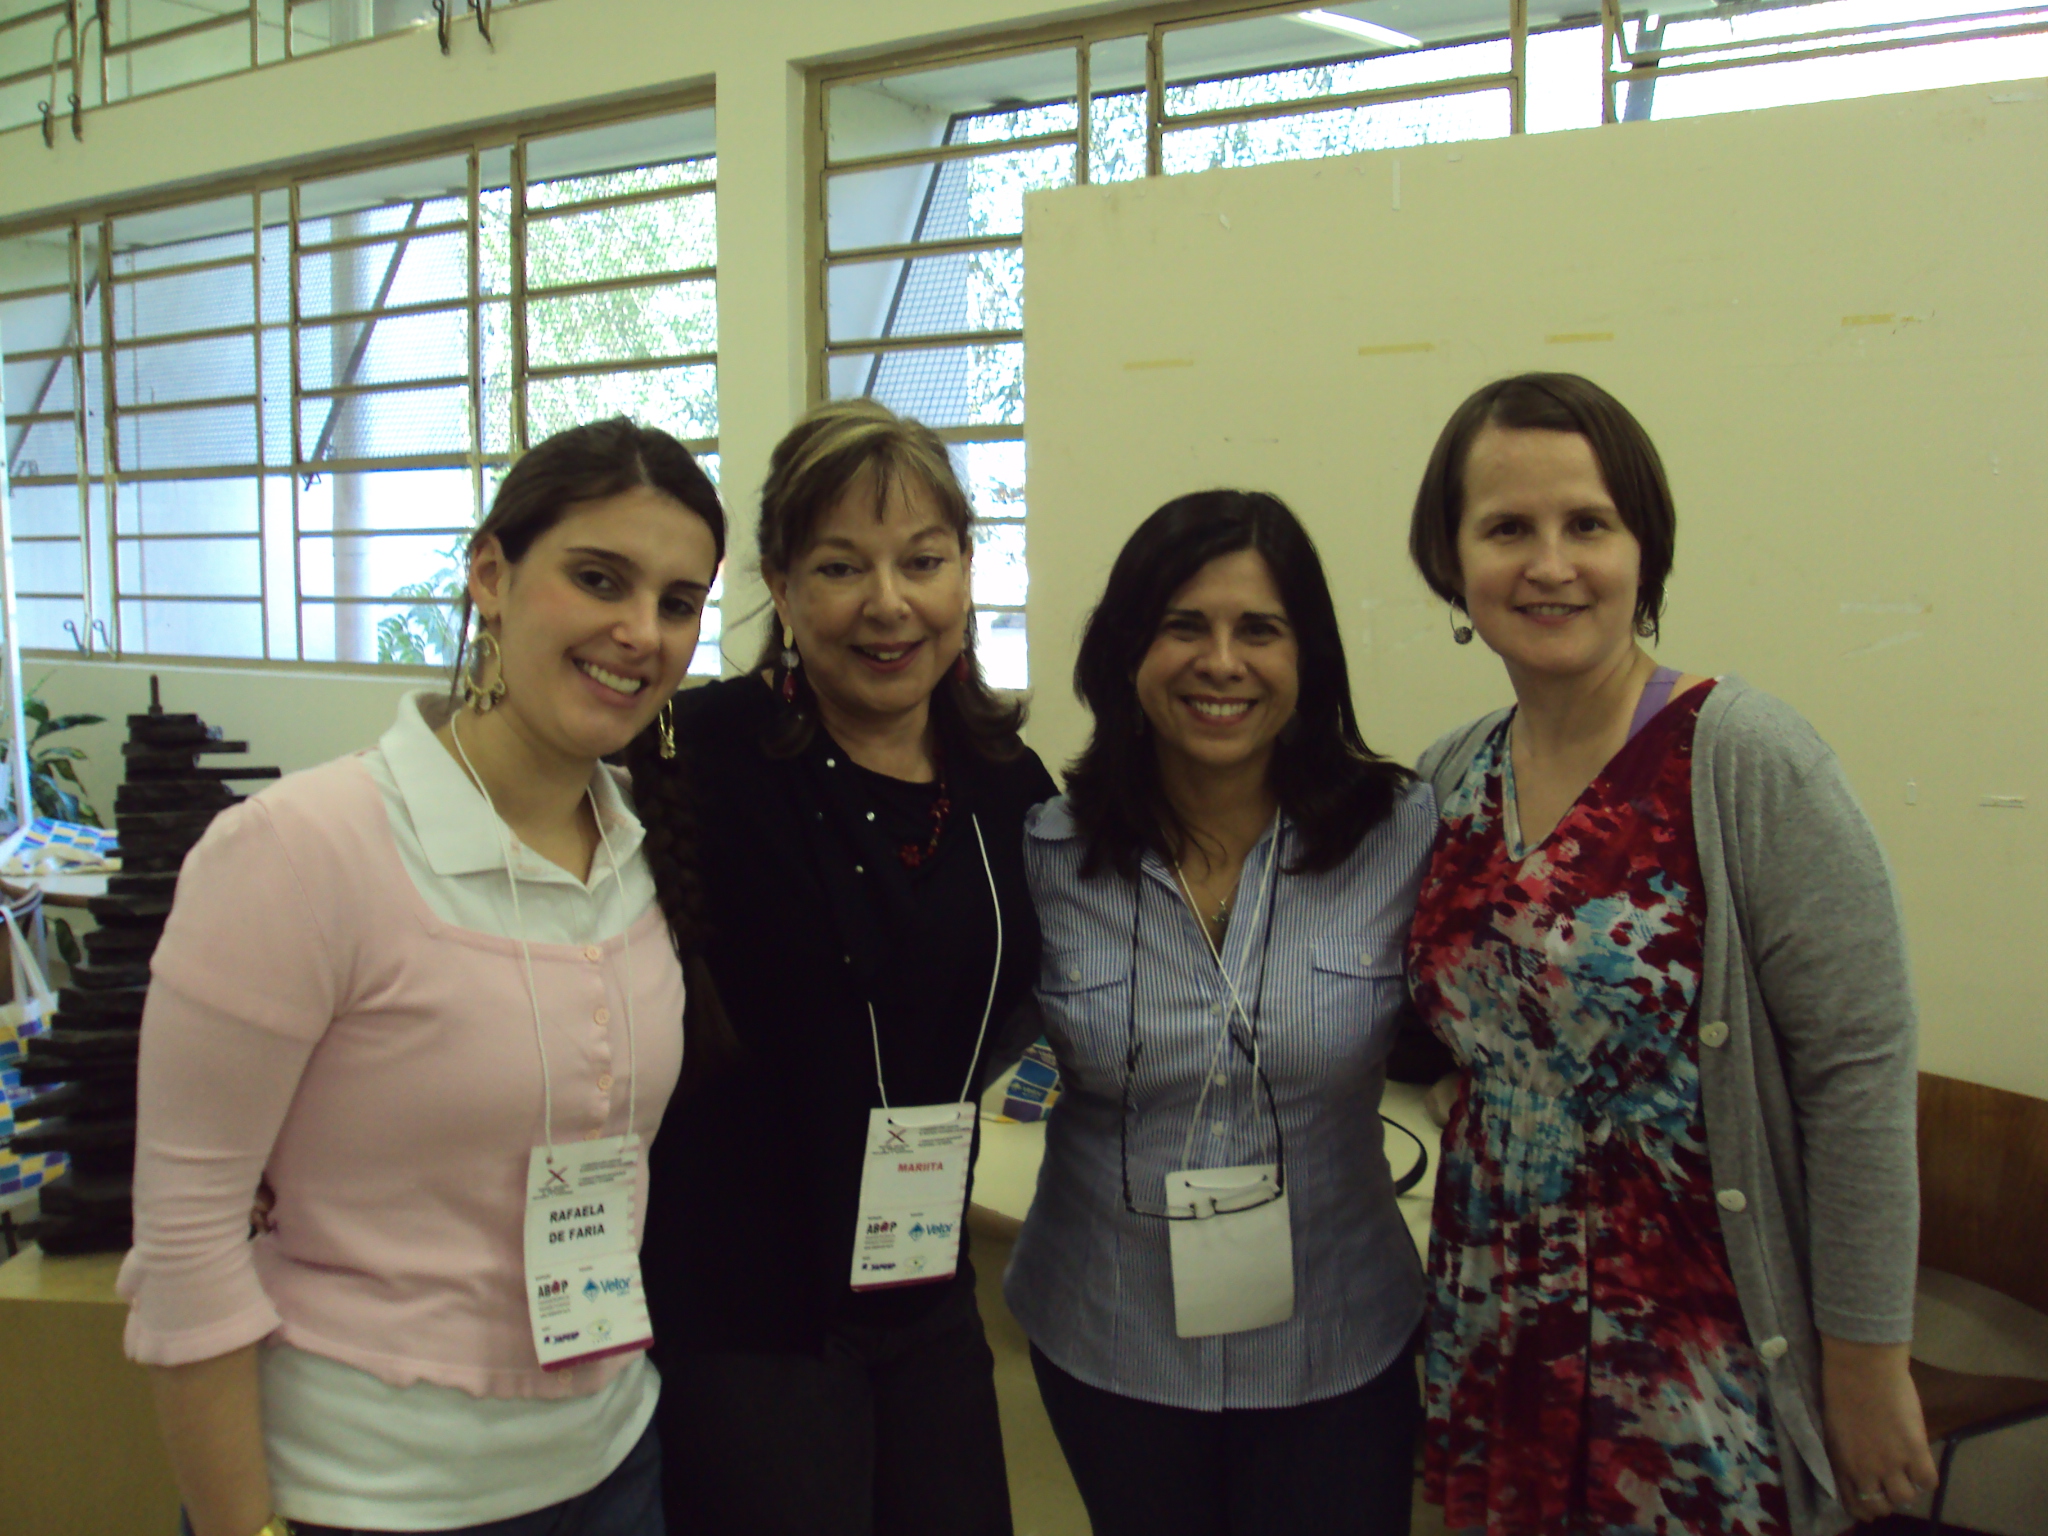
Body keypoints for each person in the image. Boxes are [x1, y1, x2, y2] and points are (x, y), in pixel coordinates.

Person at [121, 417, 726, 1536]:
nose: (641, 632)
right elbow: (186, 1244)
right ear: (490, 576)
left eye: (679, 602)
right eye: (599, 579)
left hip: (611, 1465)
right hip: (362, 1493)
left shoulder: (646, 854)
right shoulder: (300, 851)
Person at [1402, 373, 1935, 1536]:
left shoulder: (1743, 761)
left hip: (1692, 1340)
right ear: (1450, 560)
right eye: (1506, 528)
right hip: (1494, 1311)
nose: (1550, 565)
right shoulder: (1448, 775)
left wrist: (1865, 1360)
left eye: (1587, 524)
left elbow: (1856, 1072)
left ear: (1642, 548)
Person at [631, 398, 1055, 1536]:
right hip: (743, 1309)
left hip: (926, 1283)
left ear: (965, 569)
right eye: (838, 566)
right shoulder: (692, 758)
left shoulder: (1007, 783)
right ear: (778, 583)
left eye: (922, 559)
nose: (888, 603)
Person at [1004, 490, 1435, 1536]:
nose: (1222, 662)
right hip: (1110, 1335)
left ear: (1308, 657)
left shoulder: (1402, 834)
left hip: (1338, 1339)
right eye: (1183, 626)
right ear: (1127, 652)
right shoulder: (1047, 853)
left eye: (1260, 630)